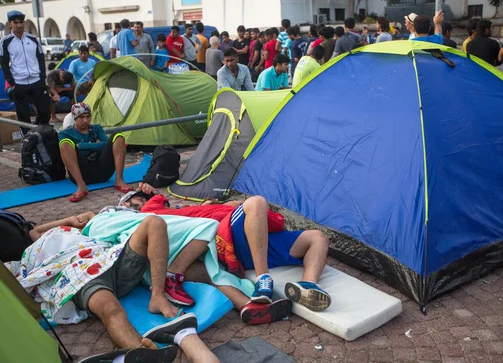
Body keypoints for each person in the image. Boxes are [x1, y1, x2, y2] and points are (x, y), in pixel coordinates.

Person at [11, 214, 219, 363]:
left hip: (106, 258)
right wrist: (63, 221)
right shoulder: (36, 245)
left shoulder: (78, 230)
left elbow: (89, 216)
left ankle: (157, 295)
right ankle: (141, 352)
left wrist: (72, 221)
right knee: (111, 310)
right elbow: (33, 231)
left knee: (154, 222)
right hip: (77, 275)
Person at [123, 185, 332, 312]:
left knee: (318, 237)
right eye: (136, 198)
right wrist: (147, 192)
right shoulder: (148, 211)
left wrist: (215, 204)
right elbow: (153, 200)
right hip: (228, 237)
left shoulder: (182, 209)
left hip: (255, 237)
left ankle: (309, 286)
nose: (140, 199)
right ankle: (263, 280)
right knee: (257, 202)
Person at [59, 103, 132, 202]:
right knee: (65, 144)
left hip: (102, 172)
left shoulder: (96, 128)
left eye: (88, 116)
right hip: (82, 173)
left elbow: (106, 144)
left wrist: (81, 146)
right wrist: (98, 146)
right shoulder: (65, 133)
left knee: (118, 136)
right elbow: (103, 145)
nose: (85, 120)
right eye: (81, 117)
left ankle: (119, 180)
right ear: (75, 118)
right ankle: (82, 186)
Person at [0, 10, 49, 133]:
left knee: (44, 111)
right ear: (10, 24)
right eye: (15, 22)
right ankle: (27, 138)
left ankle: (38, 131)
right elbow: (4, 64)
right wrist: (12, 83)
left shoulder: (33, 39)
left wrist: (43, 78)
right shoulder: (5, 42)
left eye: (21, 22)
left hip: (36, 81)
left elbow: (41, 60)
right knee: (23, 116)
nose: (19, 25)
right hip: (18, 83)